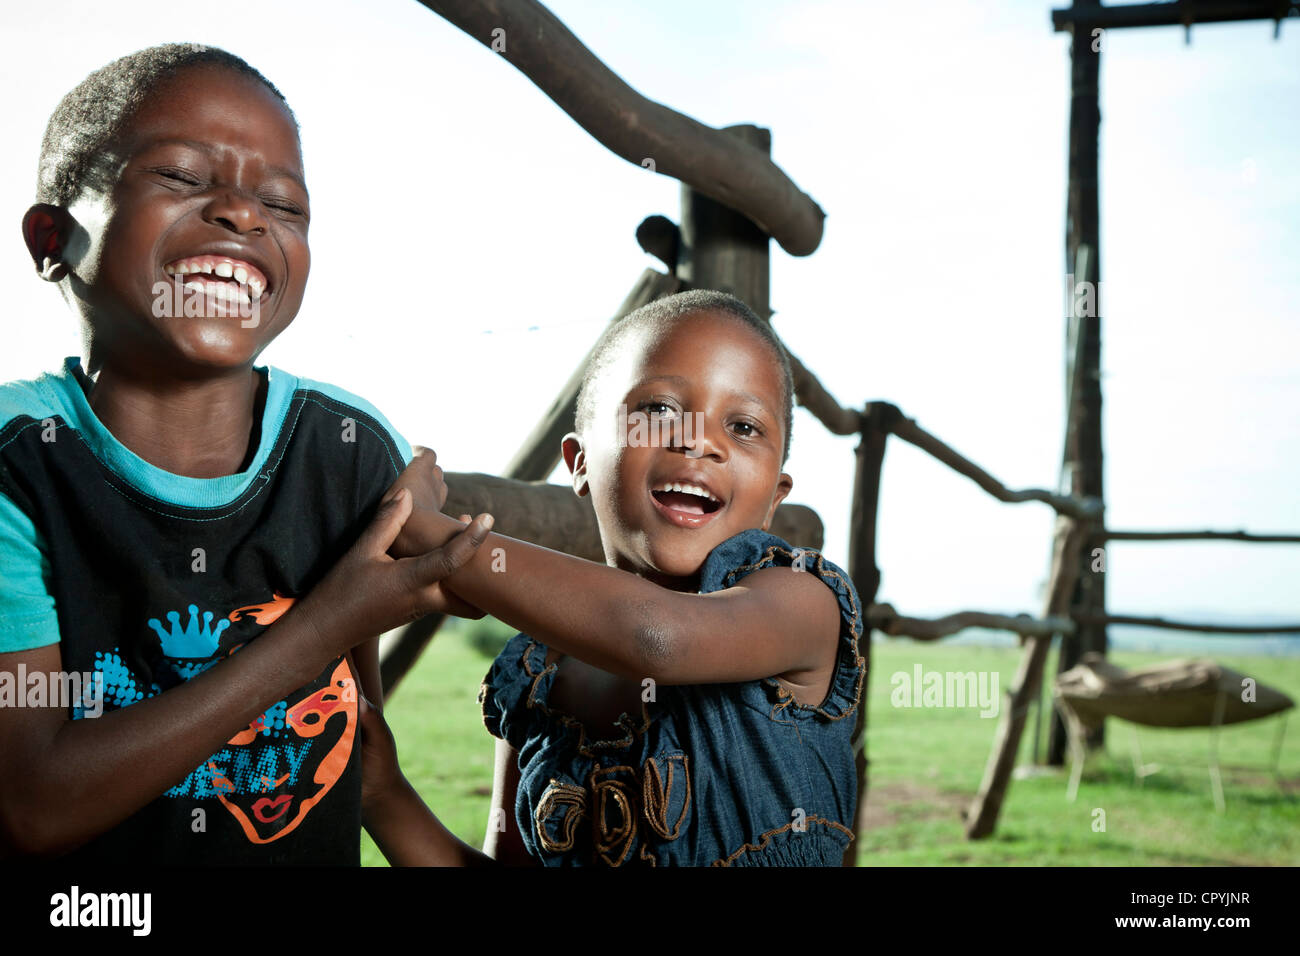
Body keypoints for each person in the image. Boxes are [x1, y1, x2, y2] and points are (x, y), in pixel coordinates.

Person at [0, 44, 491, 863]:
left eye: (284, 204)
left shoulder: (349, 445)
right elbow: (33, 805)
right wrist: (326, 620)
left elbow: (351, 734)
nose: (243, 214)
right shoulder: (21, 462)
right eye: (184, 177)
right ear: (53, 236)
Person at [362, 290, 866, 867]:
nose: (700, 440)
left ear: (775, 496)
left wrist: (424, 532)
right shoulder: (535, 679)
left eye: (745, 425)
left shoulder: (804, 603)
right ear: (579, 462)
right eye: (658, 410)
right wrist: (384, 795)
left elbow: (658, 638)